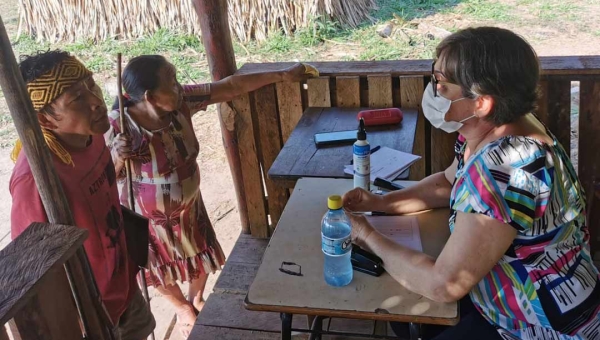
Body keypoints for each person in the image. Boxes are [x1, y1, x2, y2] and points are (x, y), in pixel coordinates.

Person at [343, 27, 600, 339]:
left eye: (441, 84)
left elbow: (445, 285)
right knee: (403, 307)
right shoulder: (494, 129)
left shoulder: (502, 168)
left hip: (537, 326)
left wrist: (365, 234)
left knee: (409, 299)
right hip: (504, 297)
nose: (433, 91)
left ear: (482, 103)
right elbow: (448, 183)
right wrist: (382, 203)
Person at [105, 55, 316, 336]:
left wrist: (282, 74)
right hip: (148, 218)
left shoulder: (181, 102)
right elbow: (108, 174)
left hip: (190, 206)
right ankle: (181, 307)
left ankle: (195, 299)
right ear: (151, 97)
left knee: (199, 248)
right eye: (172, 81)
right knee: (155, 265)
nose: (180, 86)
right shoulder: (119, 125)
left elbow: (230, 87)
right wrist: (118, 156)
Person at [10, 50, 155, 340]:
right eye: (77, 98)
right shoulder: (35, 181)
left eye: (91, 84)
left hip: (122, 289)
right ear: (46, 120)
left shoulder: (92, 135)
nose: (96, 101)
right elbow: (35, 271)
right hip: (89, 317)